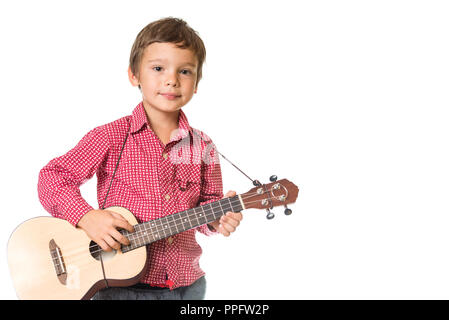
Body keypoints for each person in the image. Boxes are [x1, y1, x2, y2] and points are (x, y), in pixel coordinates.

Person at [37, 17, 243, 300]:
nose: (171, 79)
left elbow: (207, 207)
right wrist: (85, 216)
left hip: (188, 285)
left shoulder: (203, 145)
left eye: (184, 71)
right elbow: (53, 177)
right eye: (158, 68)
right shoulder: (110, 136)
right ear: (134, 75)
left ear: (196, 83)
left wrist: (217, 221)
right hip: (120, 289)